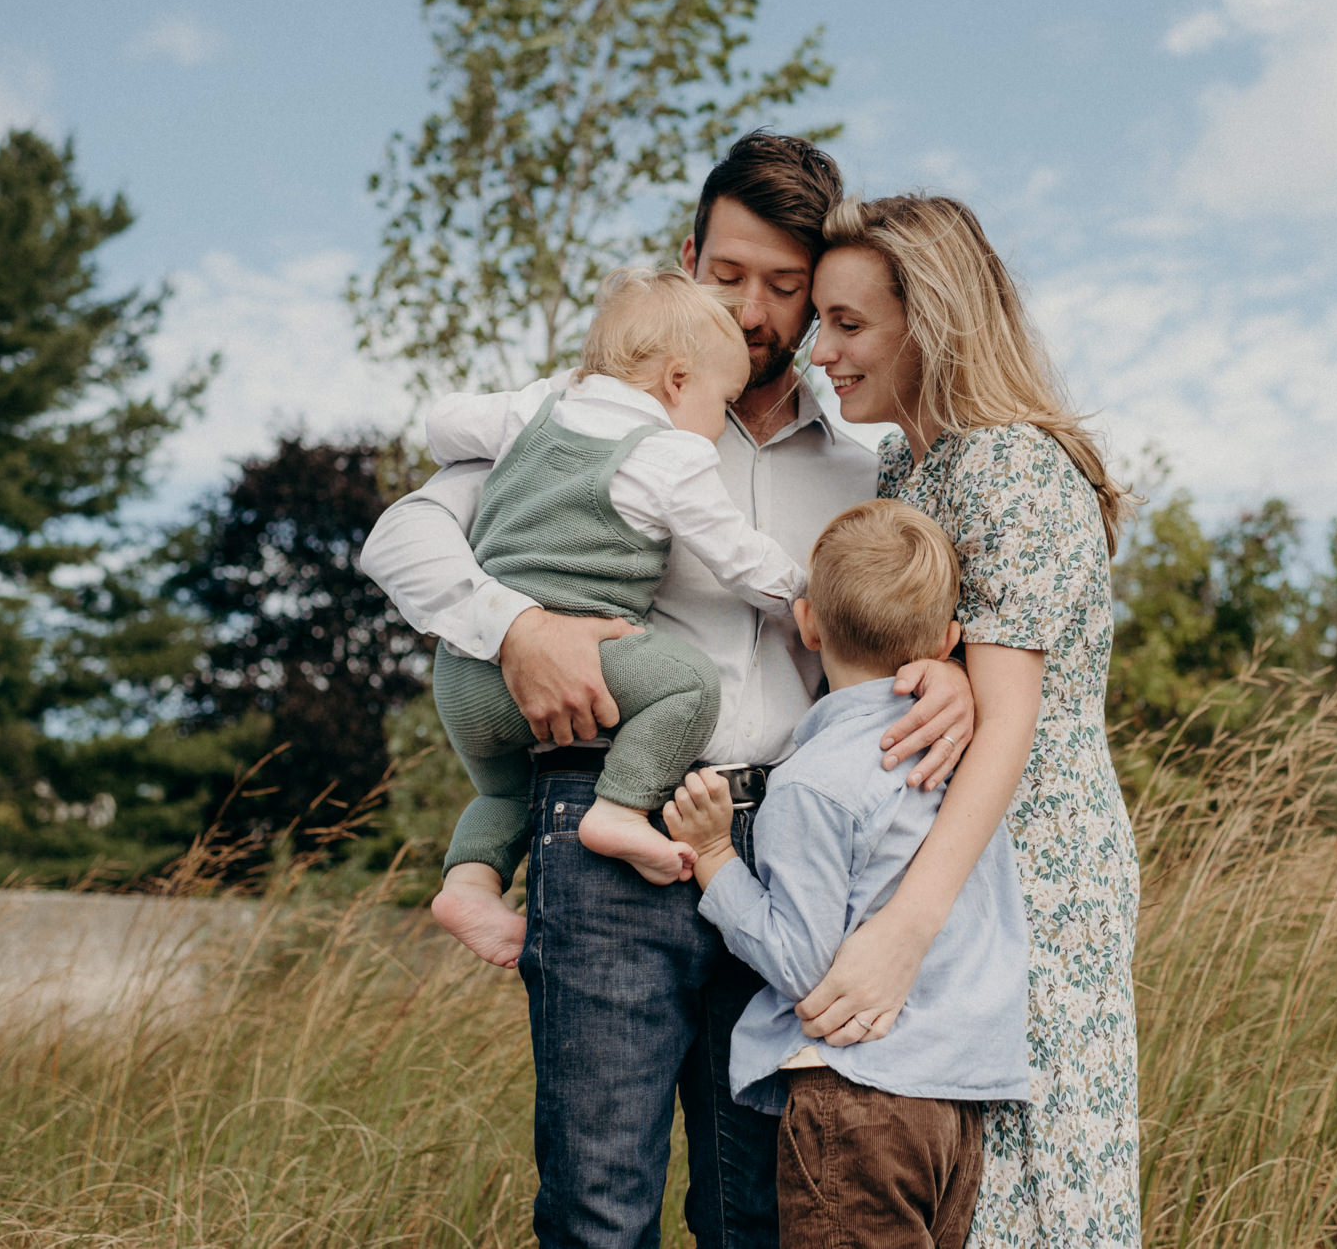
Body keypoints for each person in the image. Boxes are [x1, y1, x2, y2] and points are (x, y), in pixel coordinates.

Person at [359, 131, 977, 1249]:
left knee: (754, 1213)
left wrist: (953, 676)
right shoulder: (581, 412)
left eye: (784, 288)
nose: (751, 308)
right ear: (686, 257)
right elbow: (403, 535)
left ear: (817, 293)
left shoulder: (866, 465)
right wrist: (518, 627)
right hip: (607, 820)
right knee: (599, 1205)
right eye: (726, 275)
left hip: (790, 849)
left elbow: (910, 619)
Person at [798, 194, 1141, 1246]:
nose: (819, 350)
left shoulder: (1009, 464)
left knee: (1029, 1188)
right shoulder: (909, 467)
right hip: (953, 861)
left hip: (1028, 867)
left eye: (847, 324)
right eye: (821, 321)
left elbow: (1009, 727)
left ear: (931, 320)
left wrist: (905, 929)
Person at [664, 498, 1029, 1249]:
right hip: (959, 1106)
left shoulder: (813, 781)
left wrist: (715, 860)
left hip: (858, 1097)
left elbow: (804, 962)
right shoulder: (966, 761)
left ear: (808, 624)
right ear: (949, 642)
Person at [424, 266, 809, 968]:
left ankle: (468, 884)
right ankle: (620, 810)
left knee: (506, 789)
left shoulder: (535, 411)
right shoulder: (668, 452)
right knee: (688, 685)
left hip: (464, 674)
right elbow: (737, 555)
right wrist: (804, 592)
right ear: (677, 380)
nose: (720, 422)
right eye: (722, 402)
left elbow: (441, 423)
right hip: (574, 666)